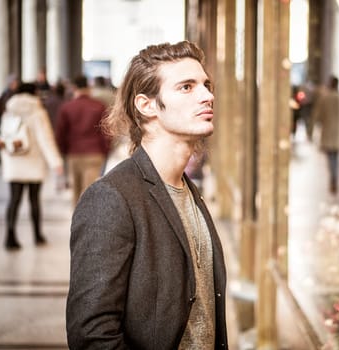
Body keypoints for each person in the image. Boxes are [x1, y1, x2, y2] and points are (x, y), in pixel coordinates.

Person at [66, 41, 228, 349]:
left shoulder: (190, 194)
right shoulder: (111, 198)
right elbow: (92, 336)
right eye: (186, 87)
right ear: (147, 105)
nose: (207, 96)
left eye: (206, 85)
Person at [0, 82, 63, 250]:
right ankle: (37, 235)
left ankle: (10, 236)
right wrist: (56, 162)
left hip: (14, 161)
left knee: (14, 200)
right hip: (33, 162)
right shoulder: (38, 112)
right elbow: (45, 139)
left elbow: (4, 136)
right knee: (34, 200)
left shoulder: (9, 110)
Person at [55, 75, 110, 205]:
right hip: (94, 153)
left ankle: (77, 222)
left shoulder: (67, 107)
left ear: (74, 88)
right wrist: (106, 151)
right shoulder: (99, 106)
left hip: (73, 153)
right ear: (89, 87)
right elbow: (106, 132)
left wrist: (64, 151)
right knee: (90, 192)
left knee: (75, 192)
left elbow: (60, 134)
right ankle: (89, 223)